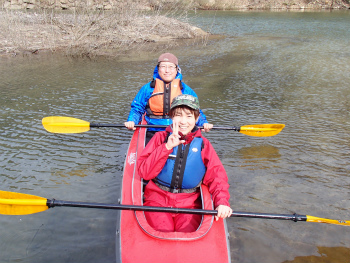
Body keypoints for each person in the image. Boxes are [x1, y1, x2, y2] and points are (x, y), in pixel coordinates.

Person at [137, 94, 232, 233]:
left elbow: (217, 176)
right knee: (162, 231)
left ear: (197, 118)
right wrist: (167, 147)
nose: (183, 121)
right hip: (157, 199)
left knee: (187, 235)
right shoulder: (160, 138)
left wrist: (222, 202)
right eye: (178, 115)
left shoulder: (203, 145)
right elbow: (144, 172)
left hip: (190, 203)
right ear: (171, 117)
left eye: (189, 116)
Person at [125, 52, 213, 144]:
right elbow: (137, 109)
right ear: (158, 69)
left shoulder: (186, 90)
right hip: (152, 131)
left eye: (171, 67)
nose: (167, 71)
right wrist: (132, 121)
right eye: (163, 66)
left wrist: (203, 123)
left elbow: (196, 112)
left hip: (179, 131)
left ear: (177, 69)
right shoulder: (147, 89)